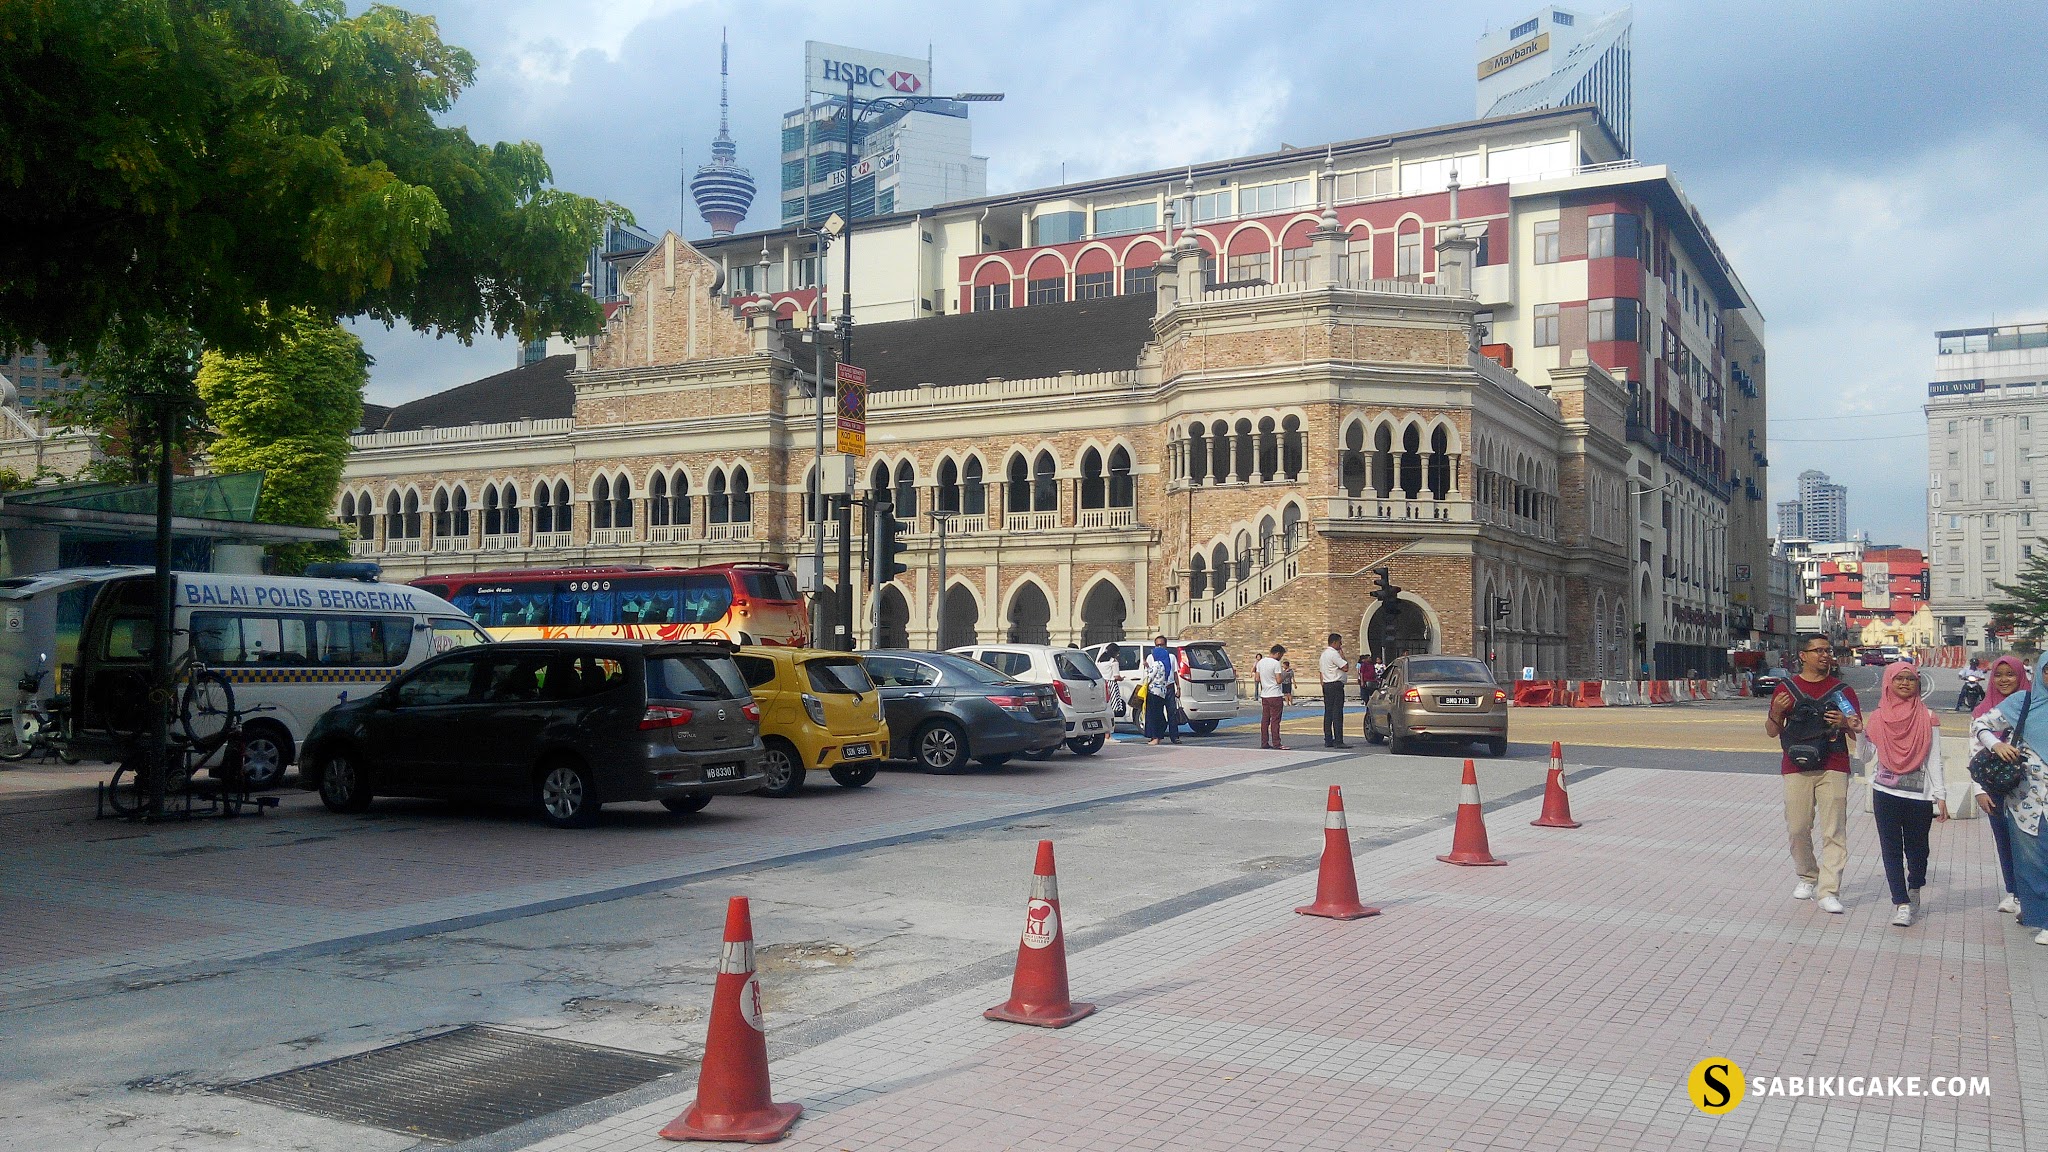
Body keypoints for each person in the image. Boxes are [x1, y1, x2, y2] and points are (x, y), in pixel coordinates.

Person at [1765, 633, 1863, 914]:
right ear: (1803, 656)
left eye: (1827, 650)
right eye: (1818, 650)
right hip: (1795, 765)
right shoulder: (1787, 688)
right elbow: (1772, 732)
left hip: (1834, 763)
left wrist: (1846, 722)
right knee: (1797, 827)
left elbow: (1858, 732)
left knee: (1834, 830)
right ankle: (1808, 875)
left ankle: (1829, 890)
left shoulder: (1842, 692)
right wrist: (1776, 710)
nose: (1824, 655)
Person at [1858, 662, 1948, 927]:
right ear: (1889, 682)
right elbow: (1866, 756)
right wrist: (1857, 733)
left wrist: (1940, 795)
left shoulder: (1928, 716)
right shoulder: (1877, 717)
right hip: (1885, 792)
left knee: (1918, 850)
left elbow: (1934, 760)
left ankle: (1915, 886)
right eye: (1899, 679)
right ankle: (1901, 902)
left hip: (1919, 796)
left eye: (1911, 679)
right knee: (1891, 849)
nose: (1905, 683)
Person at [1974, 652, 2048, 944]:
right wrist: (1996, 745)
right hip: (2026, 800)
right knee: (2034, 861)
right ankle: (2043, 920)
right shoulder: (2023, 703)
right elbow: (1980, 724)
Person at [1974, 655, 2029, 913]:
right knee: (2003, 839)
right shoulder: (1982, 711)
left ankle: (2030, 895)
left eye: (2010, 674)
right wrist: (1979, 790)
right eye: (1999, 674)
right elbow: (1972, 751)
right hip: (1994, 785)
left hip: (2027, 789)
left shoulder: (2032, 706)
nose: (2004, 679)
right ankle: (2014, 892)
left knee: (2028, 844)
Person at [1142, 636, 1183, 746]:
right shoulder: (1152, 657)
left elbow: (1174, 673)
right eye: (1157, 645)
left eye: (1161, 645)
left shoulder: (1171, 657)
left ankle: (1174, 736)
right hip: (1156, 690)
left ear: (1166, 645)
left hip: (1168, 687)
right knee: (1156, 713)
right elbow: (1149, 673)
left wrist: (1178, 687)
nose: (1159, 647)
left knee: (1172, 712)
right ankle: (1155, 735)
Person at [1319, 633, 1352, 749]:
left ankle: (1328, 739)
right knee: (1337, 713)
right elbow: (1345, 667)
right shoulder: (1334, 654)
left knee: (1328, 712)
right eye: (1340, 642)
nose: (1341, 644)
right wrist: (1342, 656)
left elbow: (1321, 672)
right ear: (1334, 642)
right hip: (1336, 685)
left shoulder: (1323, 655)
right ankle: (1339, 740)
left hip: (1327, 684)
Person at [1255, 644, 1288, 749]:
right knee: (1275, 720)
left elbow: (1257, 678)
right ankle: (1276, 743)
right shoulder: (1276, 663)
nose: (1281, 657)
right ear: (1278, 653)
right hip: (1275, 694)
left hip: (1265, 694)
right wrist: (1285, 675)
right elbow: (1278, 680)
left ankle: (1264, 742)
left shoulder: (1260, 662)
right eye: (1281, 655)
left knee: (1265, 720)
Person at [1096, 642, 1125, 721]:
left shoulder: (1100, 661)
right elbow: (1116, 676)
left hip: (1102, 683)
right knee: (1113, 705)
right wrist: (1122, 678)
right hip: (1111, 684)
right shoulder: (1113, 662)